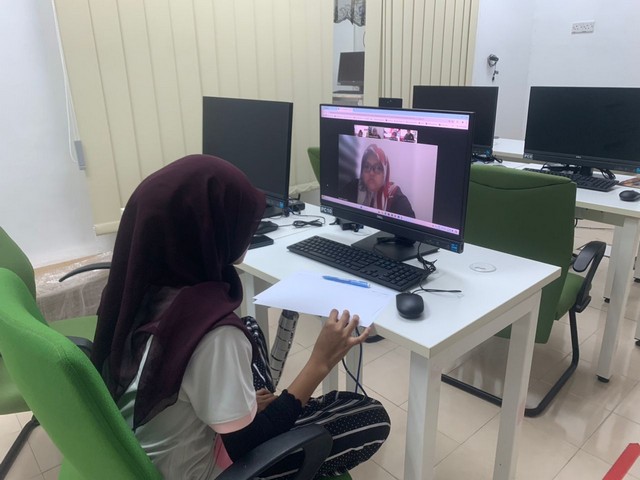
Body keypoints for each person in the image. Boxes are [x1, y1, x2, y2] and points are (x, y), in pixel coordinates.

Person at [91, 154, 390, 479]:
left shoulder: (137, 289)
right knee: (371, 417)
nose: (250, 229)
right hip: (218, 470)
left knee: (249, 329)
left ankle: (257, 409)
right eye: (244, 221)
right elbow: (247, 445)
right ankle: (283, 413)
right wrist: (320, 361)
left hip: (164, 441)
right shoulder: (213, 334)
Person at [340, 144, 415, 218]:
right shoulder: (353, 187)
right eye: (367, 166)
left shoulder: (395, 197)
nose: (371, 173)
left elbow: (410, 223)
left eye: (378, 168)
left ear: (385, 173)